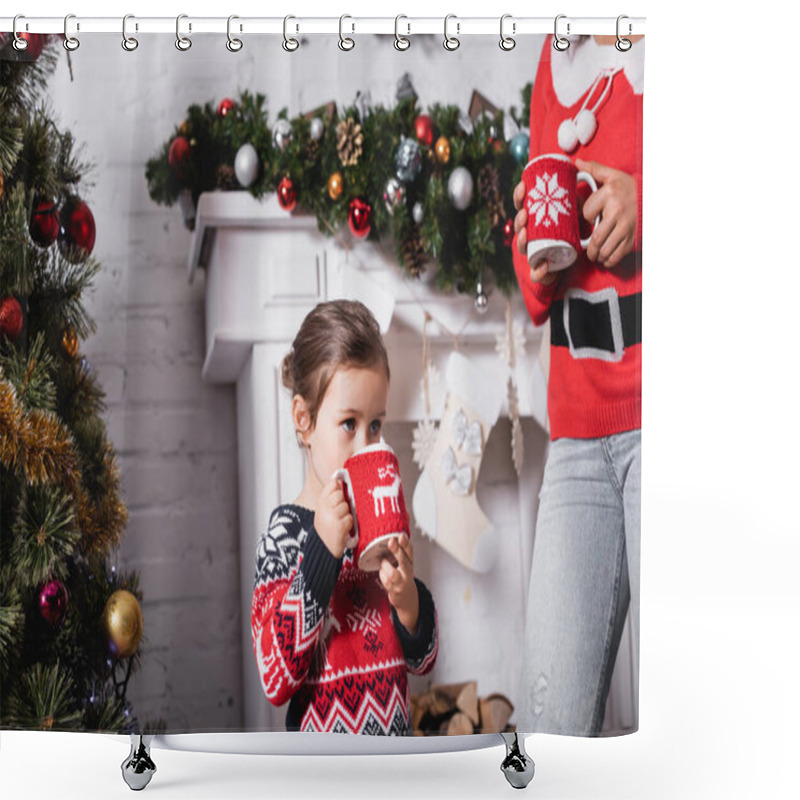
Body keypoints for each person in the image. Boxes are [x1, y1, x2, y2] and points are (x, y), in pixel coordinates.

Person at [513, 33, 644, 735]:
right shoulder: (552, 54)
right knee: (546, 728)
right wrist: (531, 252)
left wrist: (644, 201)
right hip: (575, 433)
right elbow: (534, 217)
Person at [250, 299, 438, 735]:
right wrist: (323, 550)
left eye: (375, 426)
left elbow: (423, 660)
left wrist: (407, 598)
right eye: (349, 424)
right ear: (305, 420)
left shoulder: (376, 520)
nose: (365, 446)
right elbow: (275, 678)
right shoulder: (284, 536)